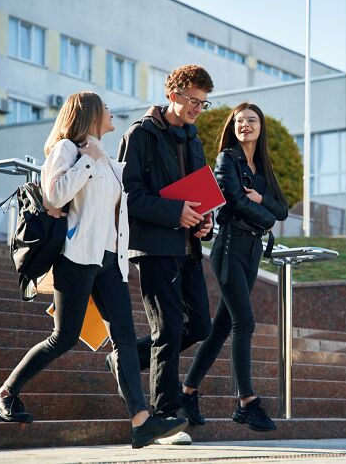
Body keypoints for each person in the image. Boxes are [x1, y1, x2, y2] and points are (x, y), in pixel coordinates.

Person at [0, 91, 187, 449]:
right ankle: (4, 393)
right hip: (76, 258)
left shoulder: (107, 159)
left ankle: (141, 421)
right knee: (63, 338)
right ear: (92, 114)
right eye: (106, 108)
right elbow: (53, 197)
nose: (112, 113)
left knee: (124, 339)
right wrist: (86, 162)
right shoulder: (68, 149)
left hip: (109, 260)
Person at [115, 65, 214, 437]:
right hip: (154, 247)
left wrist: (205, 222)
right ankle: (165, 415)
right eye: (193, 100)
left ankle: (126, 361)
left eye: (203, 103)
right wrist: (176, 212)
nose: (197, 109)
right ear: (173, 94)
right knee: (168, 328)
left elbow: (201, 197)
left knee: (200, 324)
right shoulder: (140, 135)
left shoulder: (194, 139)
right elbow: (127, 195)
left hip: (187, 247)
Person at [180, 103, 288, 432]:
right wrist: (265, 216)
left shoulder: (263, 166)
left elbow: (282, 209)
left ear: (260, 126)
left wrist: (261, 202)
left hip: (252, 250)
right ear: (233, 126)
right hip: (228, 247)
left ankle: (187, 392)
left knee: (220, 328)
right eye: (240, 121)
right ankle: (247, 403)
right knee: (245, 322)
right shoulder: (228, 158)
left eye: (251, 120)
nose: (245, 125)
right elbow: (231, 197)